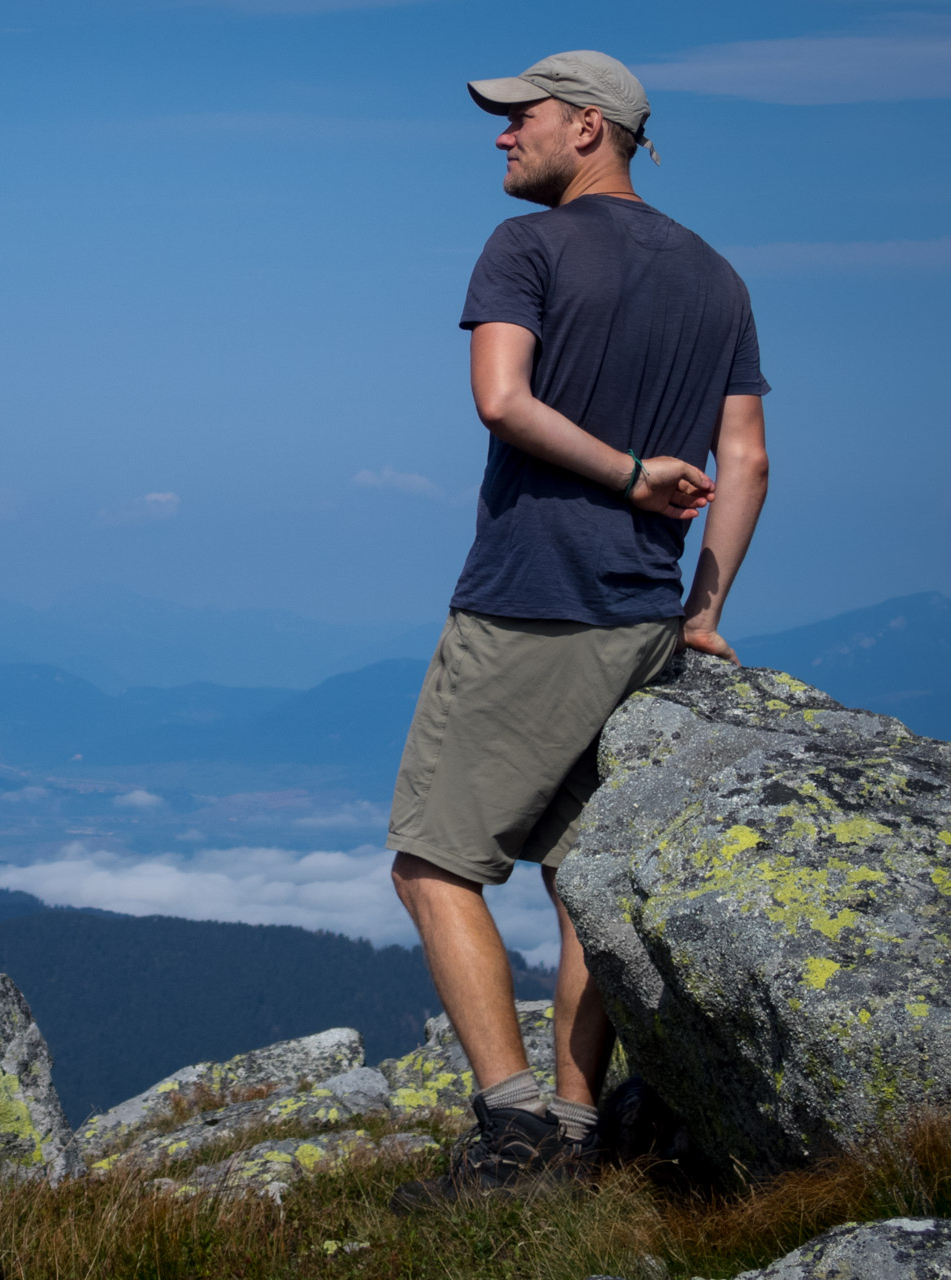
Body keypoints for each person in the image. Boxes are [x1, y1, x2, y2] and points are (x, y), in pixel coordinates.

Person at [385, 49, 771, 1209]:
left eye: (522, 119)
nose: (503, 137)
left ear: (590, 128)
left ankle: (510, 1135)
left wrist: (626, 475)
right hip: (645, 620)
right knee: (575, 882)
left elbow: (500, 398)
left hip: (527, 603)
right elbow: (745, 457)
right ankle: (573, 1125)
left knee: (431, 860)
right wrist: (703, 607)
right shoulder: (718, 276)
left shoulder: (527, 249)